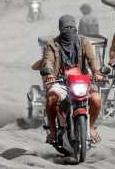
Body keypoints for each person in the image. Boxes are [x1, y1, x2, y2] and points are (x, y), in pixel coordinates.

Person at [41, 14, 102, 144]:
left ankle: (90, 128)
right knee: (51, 98)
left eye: (72, 28)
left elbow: (92, 58)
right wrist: (50, 73)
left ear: (76, 29)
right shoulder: (52, 44)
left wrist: (96, 71)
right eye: (66, 28)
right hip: (60, 82)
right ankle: (52, 131)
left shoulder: (83, 41)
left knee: (96, 99)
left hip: (82, 81)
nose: (69, 30)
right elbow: (48, 60)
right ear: (60, 29)